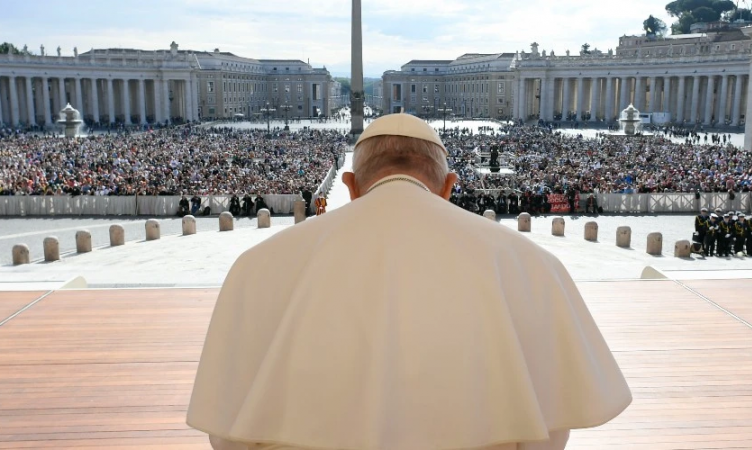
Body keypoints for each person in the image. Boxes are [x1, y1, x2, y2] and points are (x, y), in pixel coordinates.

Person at [187, 114, 631, 450]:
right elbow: (550, 428)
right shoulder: (529, 264)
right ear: (449, 186)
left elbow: (227, 432)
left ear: (350, 185)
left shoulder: (258, 265)